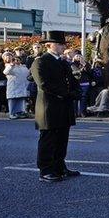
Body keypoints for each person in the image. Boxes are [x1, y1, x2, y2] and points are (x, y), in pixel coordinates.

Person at [32, 31, 82, 182]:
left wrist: (76, 91)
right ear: (49, 45)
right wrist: (66, 94)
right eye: (59, 44)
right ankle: (45, 170)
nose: (62, 47)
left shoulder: (63, 62)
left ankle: (60, 166)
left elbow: (72, 80)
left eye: (63, 44)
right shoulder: (40, 62)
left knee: (62, 139)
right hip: (49, 107)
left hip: (63, 106)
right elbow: (44, 84)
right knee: (48, 139)